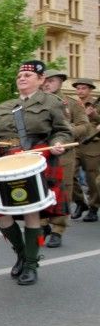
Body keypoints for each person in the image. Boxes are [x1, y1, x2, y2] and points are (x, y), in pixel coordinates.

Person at [0, 60, 71, 286]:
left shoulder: (52, 102)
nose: (22, 78)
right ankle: (22, 254)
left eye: (28, 75)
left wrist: (59, 142)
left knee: (32, 214)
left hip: (36, 162)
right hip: (6, 164)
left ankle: (30, 264)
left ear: (41, 80)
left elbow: (62, 131)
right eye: (20, 75)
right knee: (1, 214)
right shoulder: (3, 106)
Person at [40, 70, 90, 247]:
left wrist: (67, 132)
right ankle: (42, 224)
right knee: (41, 189)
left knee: (62, 190)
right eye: (44, 80)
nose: (46, 84)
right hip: (41, 153)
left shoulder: (71, 104)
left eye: (51, 81)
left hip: (63, 153)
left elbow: (85, 126)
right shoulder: (36, 102)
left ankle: (57, 229)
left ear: (60, 82)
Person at [71, 78, 99, 221]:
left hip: (92, 144)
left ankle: (93, 207)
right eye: (78, 88)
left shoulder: (97, 104)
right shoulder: (73, 105)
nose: (80, 91)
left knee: (92, 178)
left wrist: (94, 115)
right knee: (68, 174)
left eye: (83, 88)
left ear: (90, 90)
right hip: (75, 143)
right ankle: (80, 202)